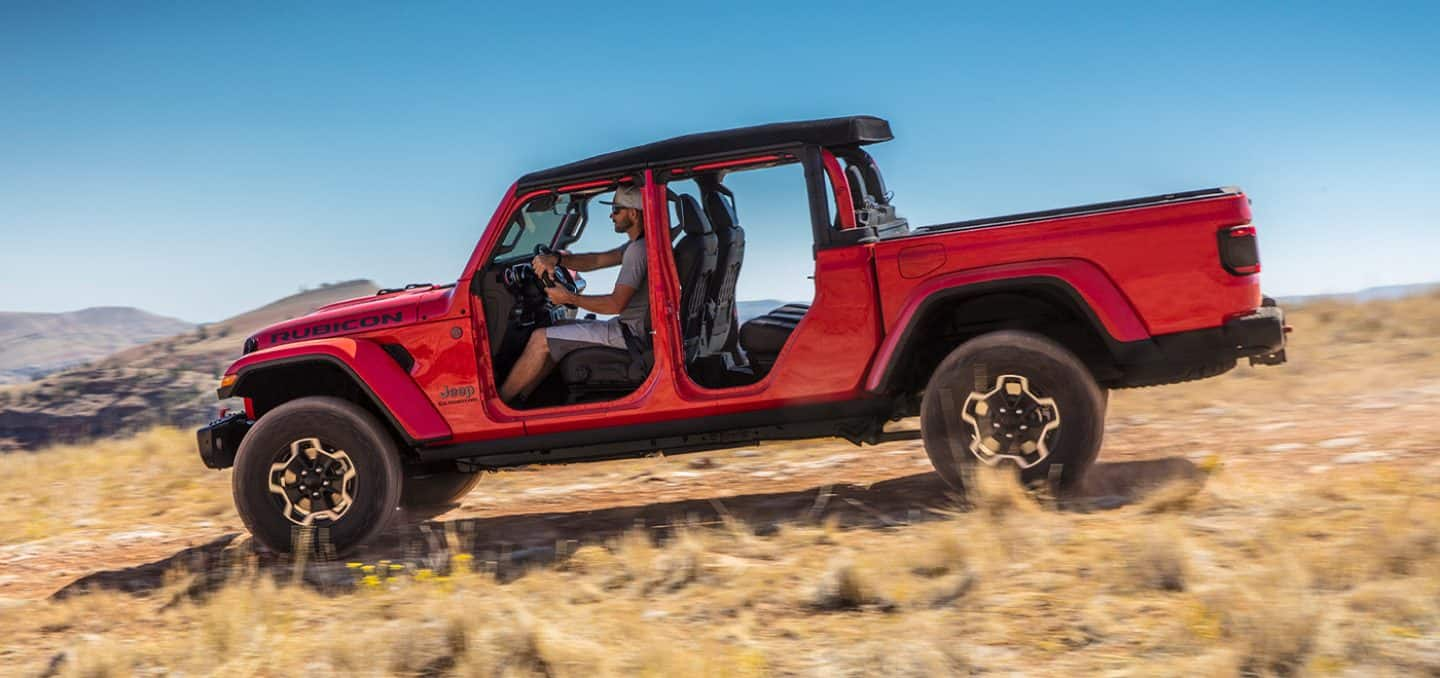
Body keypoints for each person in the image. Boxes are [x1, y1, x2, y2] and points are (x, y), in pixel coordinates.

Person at [499, 185, 649, 406]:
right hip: (630, 329)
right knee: (558, 325)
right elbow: (596, 260)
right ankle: (524, 400)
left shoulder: (638, 252)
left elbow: (614, 304)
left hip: (629, 335)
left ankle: (501, 404)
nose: (611, 215)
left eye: (617, 210)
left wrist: (570, 298)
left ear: (633, 213)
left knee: (539, 338)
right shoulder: (637, 245)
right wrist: (557, 259)